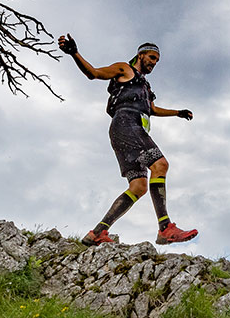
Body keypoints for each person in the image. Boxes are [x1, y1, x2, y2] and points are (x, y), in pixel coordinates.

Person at [58, 33, 198, 246]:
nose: (154, 63)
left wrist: (177, 112)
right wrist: (74, 53)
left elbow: (152, 110)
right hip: (126, 123)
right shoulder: (124, 69)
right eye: (151, 58)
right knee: (160, 165)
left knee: (139, 186)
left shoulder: (146, 87)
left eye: (157, 61)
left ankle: (97, 232)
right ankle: (165, 228)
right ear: (141, 55)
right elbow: (94, 73)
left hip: (127, 130)